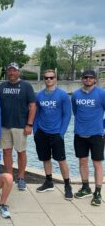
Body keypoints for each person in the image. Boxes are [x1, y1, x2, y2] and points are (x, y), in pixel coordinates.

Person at [34, 69, 73, 200]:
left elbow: (67, 115)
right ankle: (49, 182)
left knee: (61, 160)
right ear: (44, 79)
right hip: (42, 132)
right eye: (46, 78)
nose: (49, 80)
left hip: (56, 133)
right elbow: (36, 113)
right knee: (45, 158)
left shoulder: (62, 95)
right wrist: (35, 131)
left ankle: (67, 185)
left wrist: (61, 133)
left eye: (51, 77)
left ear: (55, 79)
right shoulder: (39, 95)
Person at [0, 62, 36, 190]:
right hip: (5, 125)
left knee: (21, 152)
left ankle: (21, 178)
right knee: (6, 152)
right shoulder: (2, 86)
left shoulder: (26, 86)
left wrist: (29, 124)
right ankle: (9, 177)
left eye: (14, 70)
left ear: (18, 72)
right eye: (10, 70)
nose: (12, 73)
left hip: (20, 125)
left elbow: (32, 106)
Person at [71, 70, 105, 206]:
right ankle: (86, 188)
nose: (88, 79)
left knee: (97, 164)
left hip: (96, 134)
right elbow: (75, 111)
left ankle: (97, 192)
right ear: (82, 79)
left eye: (91, 77)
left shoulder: (101, 93)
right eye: (85, 77)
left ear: (95, 80)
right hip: (80, 134)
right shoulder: (76, 95)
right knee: (82, 162)